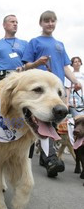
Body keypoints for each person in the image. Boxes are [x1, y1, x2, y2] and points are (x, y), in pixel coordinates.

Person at [22, 10, 81, 177]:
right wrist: (37, 63)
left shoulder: (60, 44)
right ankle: (41, 158)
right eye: (46, 21)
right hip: (40, 91)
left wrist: (75, 81)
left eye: (52, 21)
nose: (50, 24)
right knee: (37, 122)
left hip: (57, 90)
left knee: (52, 123)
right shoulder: (34, 41)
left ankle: (47, 156)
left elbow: (64, 67)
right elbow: (26, 66)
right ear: (40, 23)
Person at [0, 14, 28, 82]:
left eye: (16, 22)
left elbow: (29, 64)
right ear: (4, 25)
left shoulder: (25, 43)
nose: (15, 24)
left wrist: (23, 68)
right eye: (12, 22)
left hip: (19, 78)